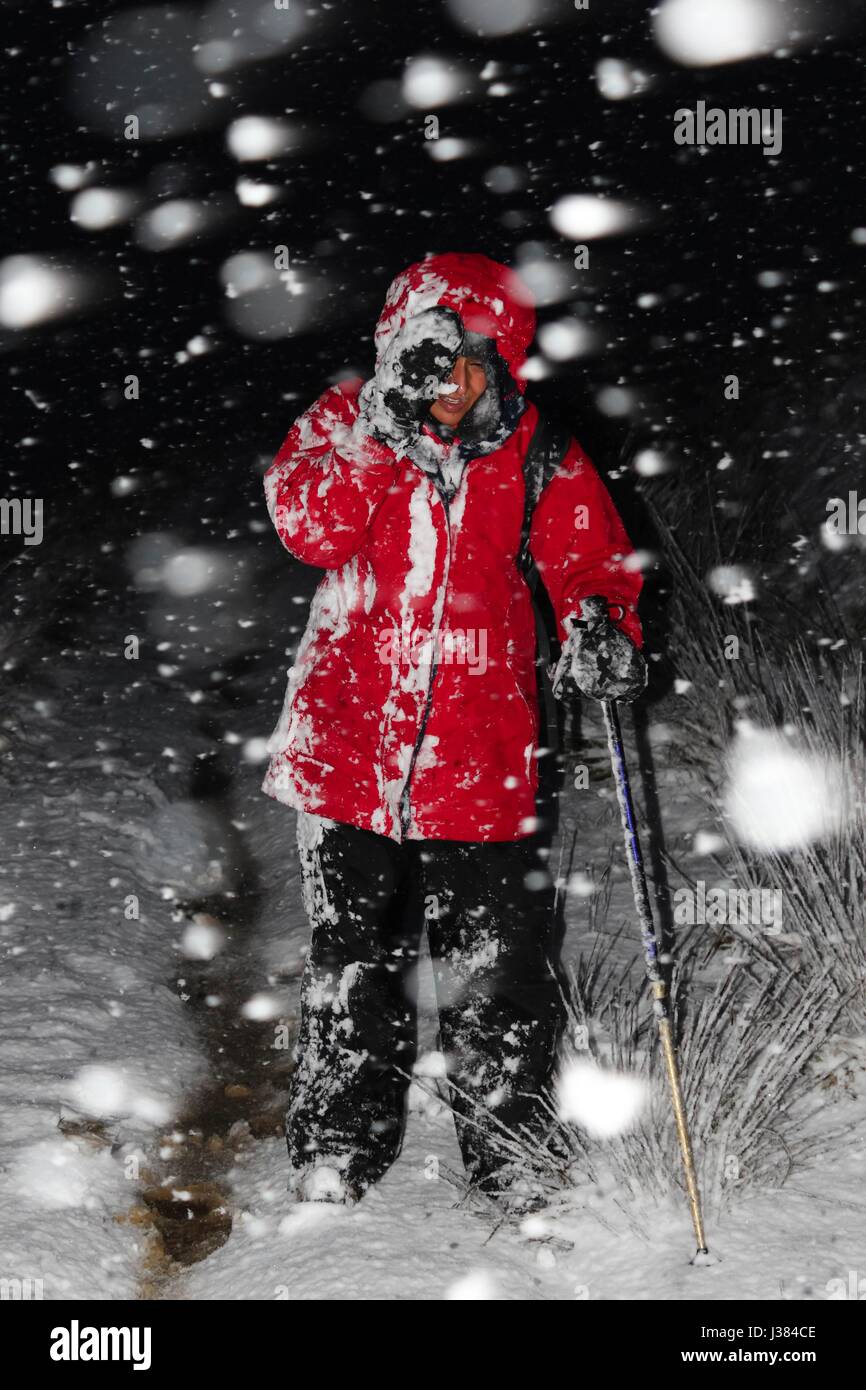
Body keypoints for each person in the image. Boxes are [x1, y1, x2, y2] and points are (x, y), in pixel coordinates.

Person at [261, 252, 646, 1210]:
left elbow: (593, 563)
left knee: (497, 966)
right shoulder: (342, 424)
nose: (453, 384)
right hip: (344, 748)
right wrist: (376, 437)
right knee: (349, 960)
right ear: (398, 353)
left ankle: (509, 1151)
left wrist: (601, 623)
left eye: (474, 363)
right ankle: (338, 1145)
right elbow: (308, 527)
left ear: (501, 366)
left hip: (483, 754)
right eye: (434, 361)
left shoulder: (538, 451)